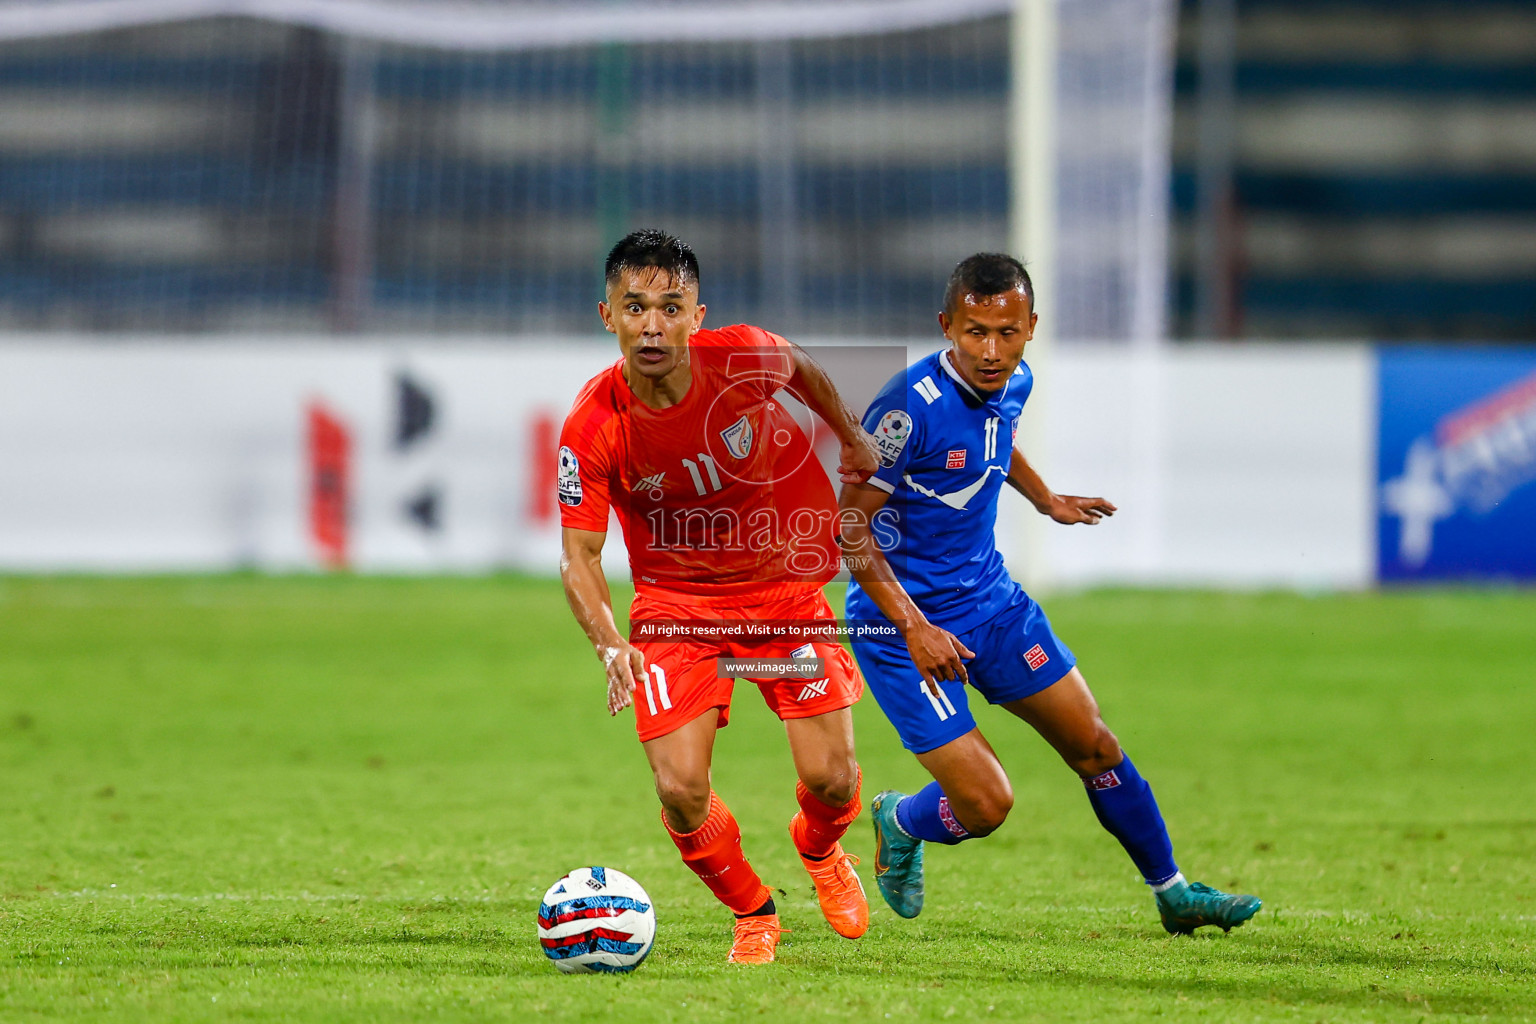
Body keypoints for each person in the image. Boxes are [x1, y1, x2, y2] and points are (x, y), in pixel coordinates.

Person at [838, 253, 1262, 935]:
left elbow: (994, 440)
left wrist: (1044, 498)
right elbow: (849, 525)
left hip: (992, 604)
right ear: (947, 326)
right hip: (897, 629)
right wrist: (914, 626)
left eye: (1007, 332)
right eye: (974, 331)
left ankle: (1174, 891)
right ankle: (902, 818)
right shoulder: (902, 410)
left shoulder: (1015, 379)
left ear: (1031, 326)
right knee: (985, 806)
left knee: (1094, 745)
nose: (990, 350)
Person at [559, 229, 880, 963]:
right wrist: (611, 642)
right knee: (680, 790)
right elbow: (579, 555)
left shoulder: (742, 358)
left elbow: (799, 366)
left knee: (832, 781)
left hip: (785, 599)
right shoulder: (594, 425)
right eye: (634, 307)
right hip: (677, 614)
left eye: (670, 307)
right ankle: (754, 911)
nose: (652, 325)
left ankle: (822, 851)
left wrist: (851, 435)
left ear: (696, 316)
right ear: (607, 315)